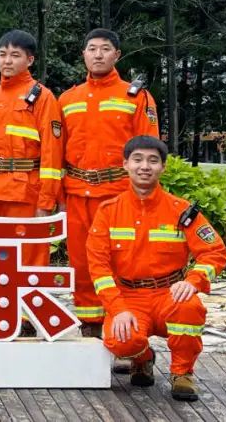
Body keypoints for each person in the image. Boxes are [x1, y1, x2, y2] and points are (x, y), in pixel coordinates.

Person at [87, 136, 226, 402]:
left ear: (163, 167)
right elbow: (98, 267)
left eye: (153, 161)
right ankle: (142, 358)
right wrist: (117, 309)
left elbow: (215, 252)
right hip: (128, 297)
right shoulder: (108, 211)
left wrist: (193, 281)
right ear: (125, 164)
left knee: (190, 307)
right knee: (120, 341)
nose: (145, 166)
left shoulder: (181, 211)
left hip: (169, 294)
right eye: (137, 159)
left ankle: (182, 373)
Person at [59, 29, 160, 336]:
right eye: (92, 48)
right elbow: (56, 151)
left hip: (118, 194)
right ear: (83, 54)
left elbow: (149, 149)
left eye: (105, 49)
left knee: (122, 261)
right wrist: (58, 196)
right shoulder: (67, 99)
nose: (98, 54)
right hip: (78, 193)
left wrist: (143, 195)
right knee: (81, 262)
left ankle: (126, 328)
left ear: (117, 55)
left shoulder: (136, 97)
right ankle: (90, 325)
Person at [0, 30, 63, 267]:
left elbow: (52, 154)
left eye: (15, 55)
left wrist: (46, 202)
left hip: (25, 193)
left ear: (29, 60)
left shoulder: (43, 98)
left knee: (27, 262)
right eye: (2, 54)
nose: (7, 61)